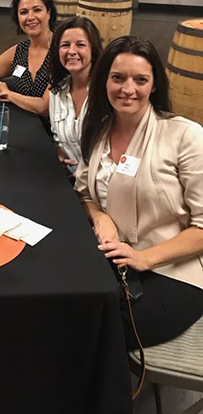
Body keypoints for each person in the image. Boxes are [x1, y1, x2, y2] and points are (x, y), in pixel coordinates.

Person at [75, 36, 203, 349]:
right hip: (116, 257)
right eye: (118, 77)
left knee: (97, 332)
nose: (128, 89)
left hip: (176, 270)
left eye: (140, 79)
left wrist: (144, 258)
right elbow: (84, 192)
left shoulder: (185, 136)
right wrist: (99, 215)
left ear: (155, 85)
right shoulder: (97, 130)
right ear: (104, 80)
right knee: (64, 306)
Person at [0, 0, 56, 115]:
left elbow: (45, 107)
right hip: (23, 121)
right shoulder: (20, 50)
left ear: (49, 12)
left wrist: (8, 94)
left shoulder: (61, 50)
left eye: (37, 10)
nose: (30, 17)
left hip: (51, 130)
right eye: (23, 12)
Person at [47, 16, 102, 175]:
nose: (72, 51)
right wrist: (60, 153)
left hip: (102, 184)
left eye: (80, 45)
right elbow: (58, 138)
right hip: (71, 180)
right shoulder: (57, 92)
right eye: (65, 45)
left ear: (93, 50)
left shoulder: (106, 92)